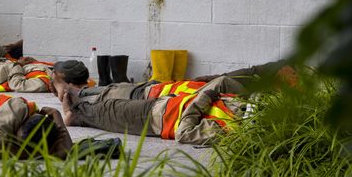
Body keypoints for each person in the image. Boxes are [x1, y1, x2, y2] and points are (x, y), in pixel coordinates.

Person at [59, 75, 244, 145]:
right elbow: (222, 82)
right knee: (113, 100)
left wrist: (202, 98)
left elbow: (184, 134)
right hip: (165, 103)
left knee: (110, 110)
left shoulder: (232, 129)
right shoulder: (240, 104)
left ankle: (74, 114)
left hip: (158, 118)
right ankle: (77, 102)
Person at [51, 59, 298, 102]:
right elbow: (248, 71)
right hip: (190, 89)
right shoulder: (270, 75)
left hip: (187, 96)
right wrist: (207, 78)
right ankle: (83, 93)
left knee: (139, 93)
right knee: (141, 89)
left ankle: (79, 94)